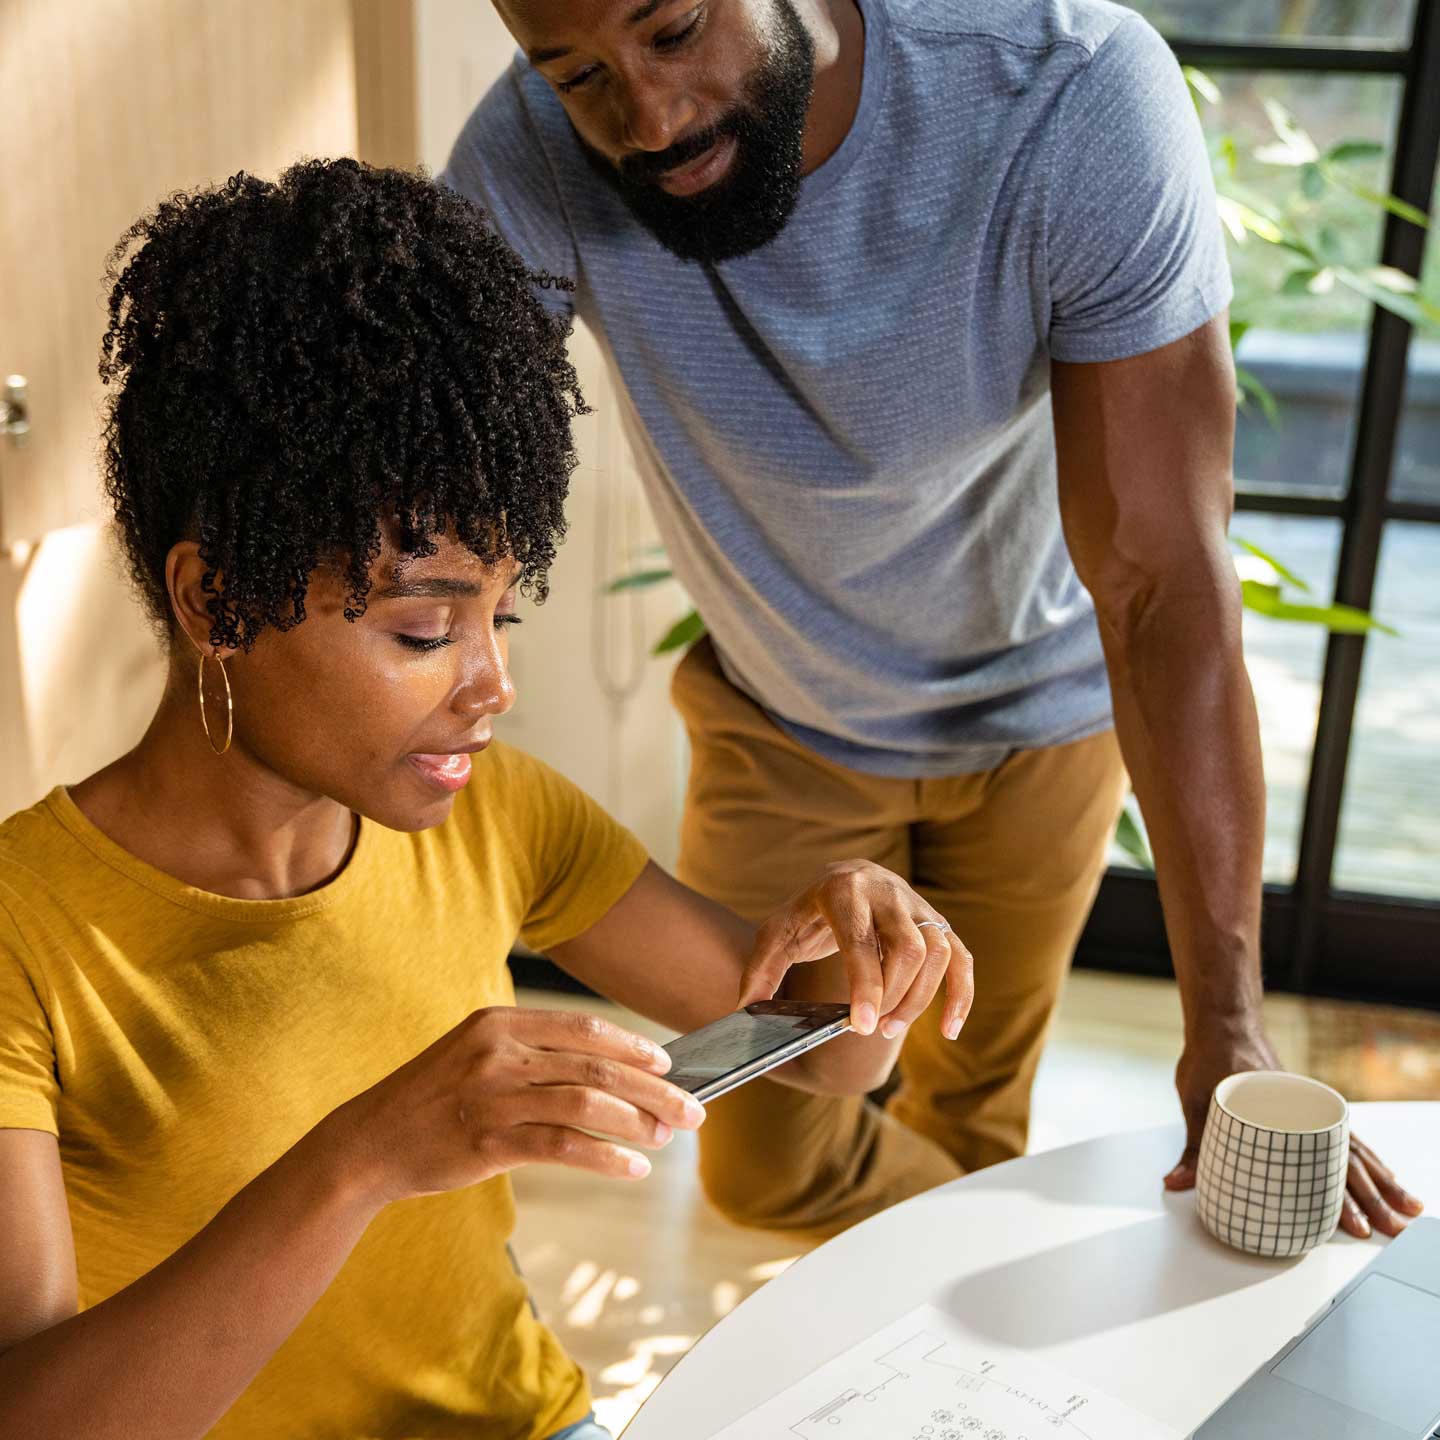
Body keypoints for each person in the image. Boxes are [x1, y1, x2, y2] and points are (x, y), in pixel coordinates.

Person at [0, 159, 973, 1440]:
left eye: (499, 614)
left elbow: (838, 1060)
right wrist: (360, 1163)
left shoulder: (497, 815)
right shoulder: (29, 929)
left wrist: (865, 954)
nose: (492, 685)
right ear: (213, 600)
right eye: (422, 631)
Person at [443, 0, 1423, 1241]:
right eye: (578, 73)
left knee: (974, 1113)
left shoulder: (1067, 93)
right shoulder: (531, 152)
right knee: (766, 1167)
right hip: (785, 718)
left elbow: (1163, 581)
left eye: (678, 30)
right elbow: (436, 468)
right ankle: (978, 1251)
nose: (648, 116)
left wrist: (1227, 1023)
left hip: (1047, 726)